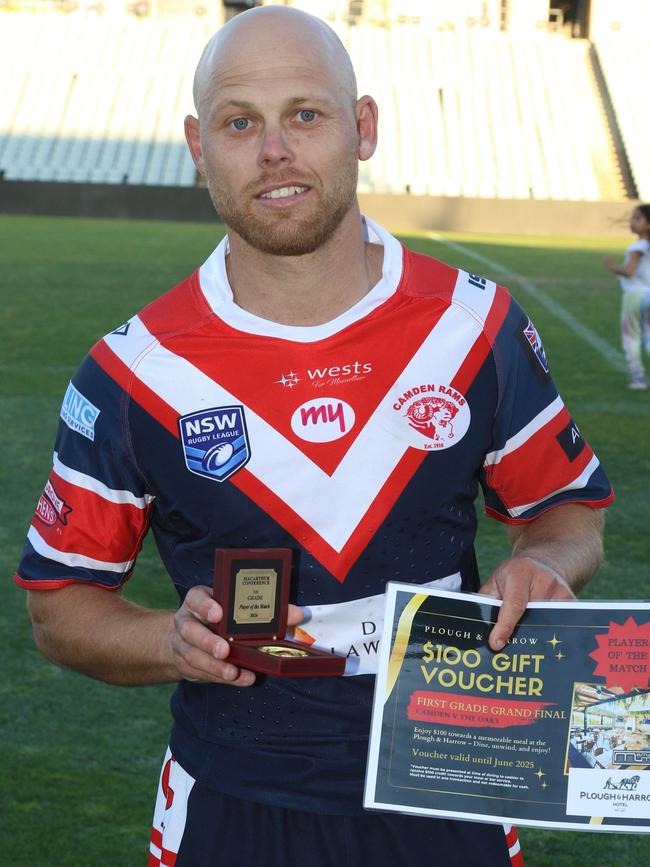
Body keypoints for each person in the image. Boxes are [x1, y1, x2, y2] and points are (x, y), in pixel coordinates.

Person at [14, 7, 613, 866]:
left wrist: (547, 562)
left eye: (305, 113)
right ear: (196, 144)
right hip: (233, 796)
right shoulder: (133, 371)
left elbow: (566, 511)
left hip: (452, 776)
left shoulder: (473, 326)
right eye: (238, 122)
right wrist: (168, 640)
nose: (274, 152)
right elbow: (57, 606)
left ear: (361, 127)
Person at [603, 203, 650, 390]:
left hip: (634, 296)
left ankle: (638, 378)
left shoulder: (637, 247)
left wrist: (612, 266)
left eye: (638, 218)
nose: (632, 221)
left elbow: (629, 271)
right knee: (648, 336)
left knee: (631, 337)